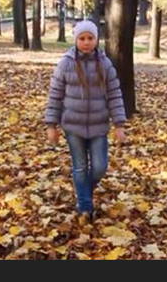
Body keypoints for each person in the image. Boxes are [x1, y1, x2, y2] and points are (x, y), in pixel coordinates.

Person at [44, 20, 127, 224]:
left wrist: (119, 125)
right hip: (73, 126)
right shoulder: (66, 63)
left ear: (96, 40)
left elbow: (115, 94)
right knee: (80, 167)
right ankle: (85, 207)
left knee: (99, 167)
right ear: (76, 40)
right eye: (82, 38)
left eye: (90, 38)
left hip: (99, 126)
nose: (86, 42)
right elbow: (55, 95)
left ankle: (83, 194)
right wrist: (51, 125)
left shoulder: (105, 64)